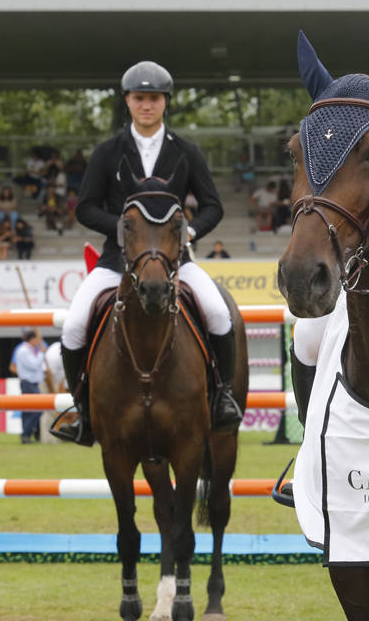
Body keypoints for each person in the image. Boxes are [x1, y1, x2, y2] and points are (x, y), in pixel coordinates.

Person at [52, 60, 243, 446]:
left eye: (154, 98)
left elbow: (213, 206)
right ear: (127, 101)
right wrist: (123, 231)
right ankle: (83, 412)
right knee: (72, 326)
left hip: (176, 263)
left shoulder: (186, 151)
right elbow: (85, 207)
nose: (146, 105)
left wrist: (189, 231)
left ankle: (221, 398)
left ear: (165, 102)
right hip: (115, 262)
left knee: (220, 313)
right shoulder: (108, 152)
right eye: (139, 98)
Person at [10, 330, 45, 444]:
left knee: (29, 410)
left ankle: (27, 435)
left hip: (30, 383)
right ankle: (26, 433)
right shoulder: (24, 351)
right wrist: (41, 353)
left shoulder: (26, 350)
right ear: (32, 339)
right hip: (28, 383)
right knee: (38, 409)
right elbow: (34, 365)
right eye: (36, 340)